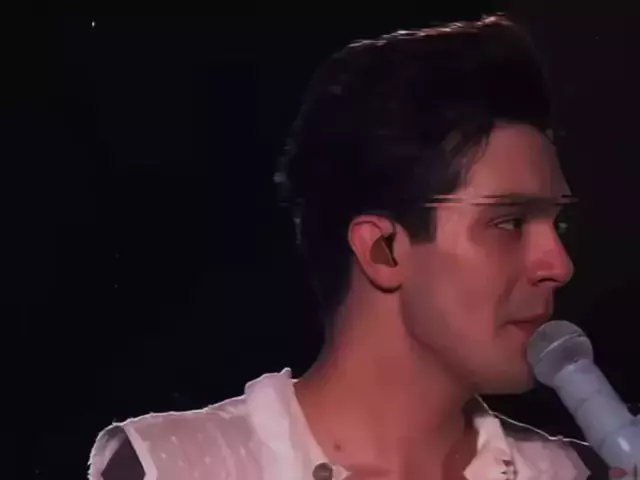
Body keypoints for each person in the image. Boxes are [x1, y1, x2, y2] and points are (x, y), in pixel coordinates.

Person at [88, 14, 609, 480]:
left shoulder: (576, 473)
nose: (558, 265)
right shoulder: (172, 468)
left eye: (557, 224)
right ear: (383, 249)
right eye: (509, 222)